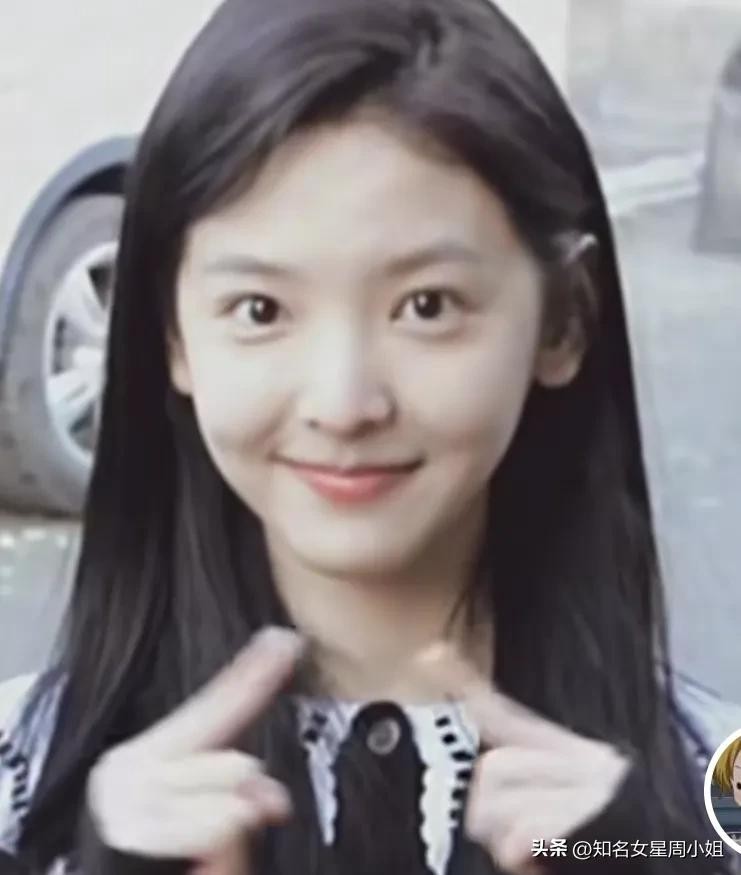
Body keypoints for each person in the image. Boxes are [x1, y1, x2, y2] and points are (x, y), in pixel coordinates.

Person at [1, 0, 740, 872]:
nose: (344, 402)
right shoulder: (27, 787)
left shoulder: (710, 796)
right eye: (260, 310)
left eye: (427, 305)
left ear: (563, 319)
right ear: (173, 334)